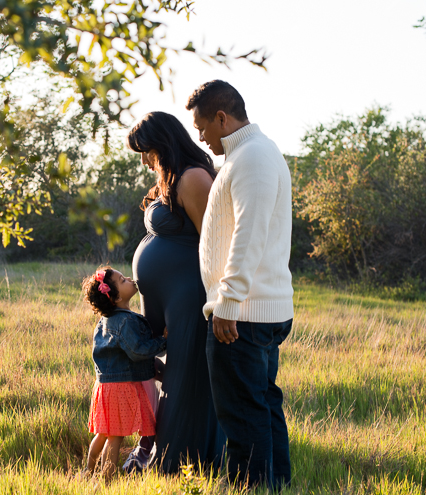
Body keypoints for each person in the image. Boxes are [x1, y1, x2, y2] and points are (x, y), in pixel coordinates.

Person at [187, 80, 294, 490]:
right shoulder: (249, 154)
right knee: (262, 409)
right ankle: (278, 486)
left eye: (202, 128)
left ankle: (252, 489)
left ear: (221, 117)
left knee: (243, 418)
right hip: (255, 310)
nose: (200, 137)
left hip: (244, 315)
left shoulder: (252, 157)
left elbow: (248, 234)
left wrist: (227, 302)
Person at [125, 111, 226, 474]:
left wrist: (218, 301)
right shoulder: (170, 180)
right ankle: (158, 451)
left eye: (145, 150)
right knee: (167, 376)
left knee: (184, 377)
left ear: (163, 144)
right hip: (167, 298)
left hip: (188, 295)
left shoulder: (194, 178)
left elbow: (214, 243)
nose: (143, 159)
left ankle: (180, 462)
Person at [81, 266, 168, 481]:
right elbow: (138, 350)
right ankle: (106, 481)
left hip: (105, 386)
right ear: (116, 297)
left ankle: (87, 471)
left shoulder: (105, 321)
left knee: (103, 433)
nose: (129, 279)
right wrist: (163, 341)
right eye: (123, 280)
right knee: (115, 437)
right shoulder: (126, 322)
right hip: (120, 387)